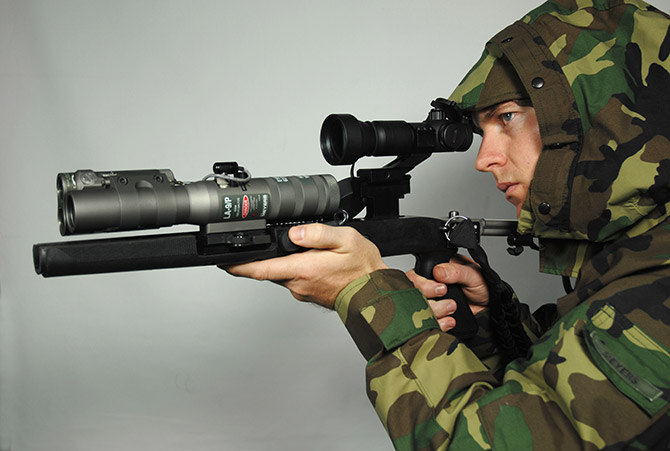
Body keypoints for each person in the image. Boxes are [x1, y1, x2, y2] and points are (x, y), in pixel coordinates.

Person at [227, 0, 670, 448]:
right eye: (482, 130)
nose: (483, 159)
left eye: (508, 118)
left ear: (604, 119)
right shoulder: (633, 261)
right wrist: (493, 324)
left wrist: (367, 294)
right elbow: (558, 405)